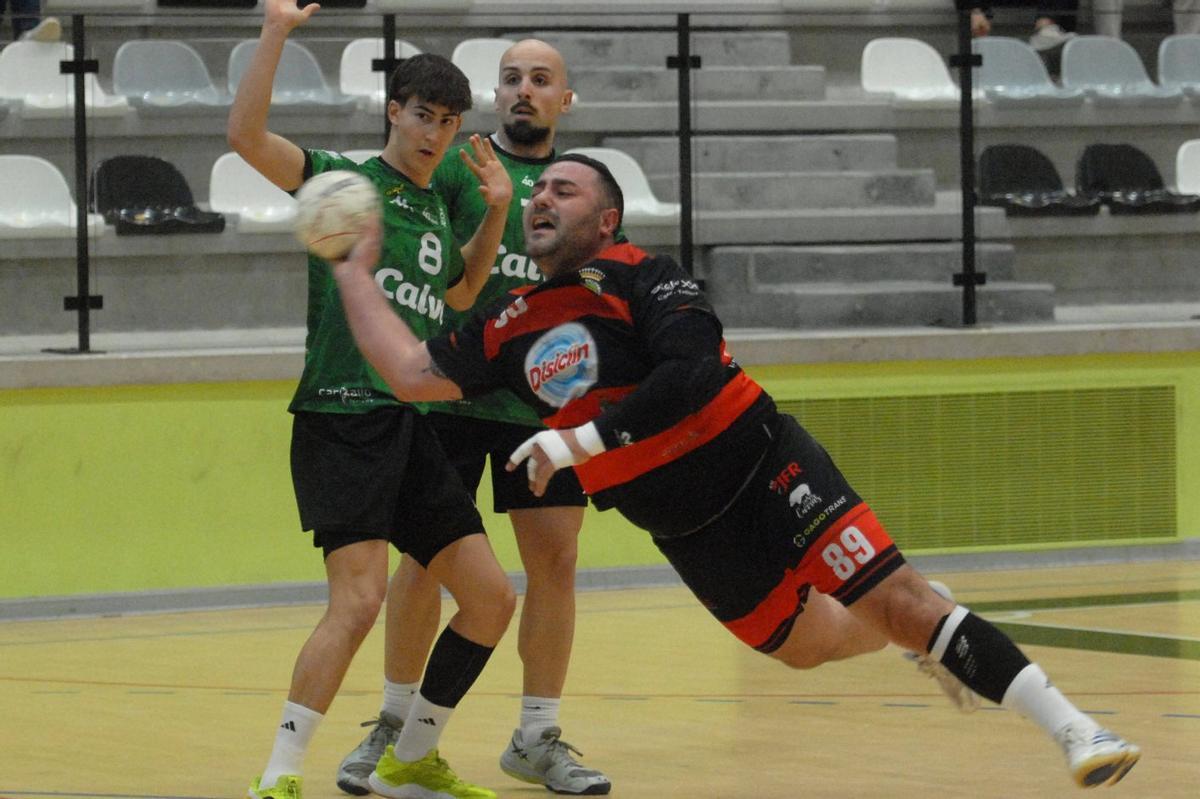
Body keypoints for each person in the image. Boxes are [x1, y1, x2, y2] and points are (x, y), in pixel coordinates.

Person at [329, 153, 1142, 790]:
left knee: (902, 601)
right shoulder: (508, 324)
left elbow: (687, 374)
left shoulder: (646, 274)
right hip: (690, 531)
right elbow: (406, 370)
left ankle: (1076, 727)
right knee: (807, 646)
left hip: (767, 466)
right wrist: (352, 272)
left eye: (564, 191)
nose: (541, 198)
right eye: (538, 191)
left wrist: (577, 445)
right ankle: (921, 624)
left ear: (606, 219)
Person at [226, 1, 517, 797]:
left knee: (491, 598)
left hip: (410, 424)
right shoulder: (344, 188)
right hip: (341, 416)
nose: (435, 133)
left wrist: (496, 208)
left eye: (449, 122)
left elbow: (463, 289)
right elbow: (245, 137)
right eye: (423, 115)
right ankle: (280, 773)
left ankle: (410, 756)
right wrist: (274, 32)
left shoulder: (434, 207)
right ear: (394, 111)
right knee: (356, 602)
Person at [335, 39, 612, 797]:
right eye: (512, 78)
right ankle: (394, 724)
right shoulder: (460, 165)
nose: (524, 90)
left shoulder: (580, 185)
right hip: (452, 391)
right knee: (424, 559)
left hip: (541, 406)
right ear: (495, 94)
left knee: (555, 563)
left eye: (541, 80)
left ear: (565, 99)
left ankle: (537, 736)